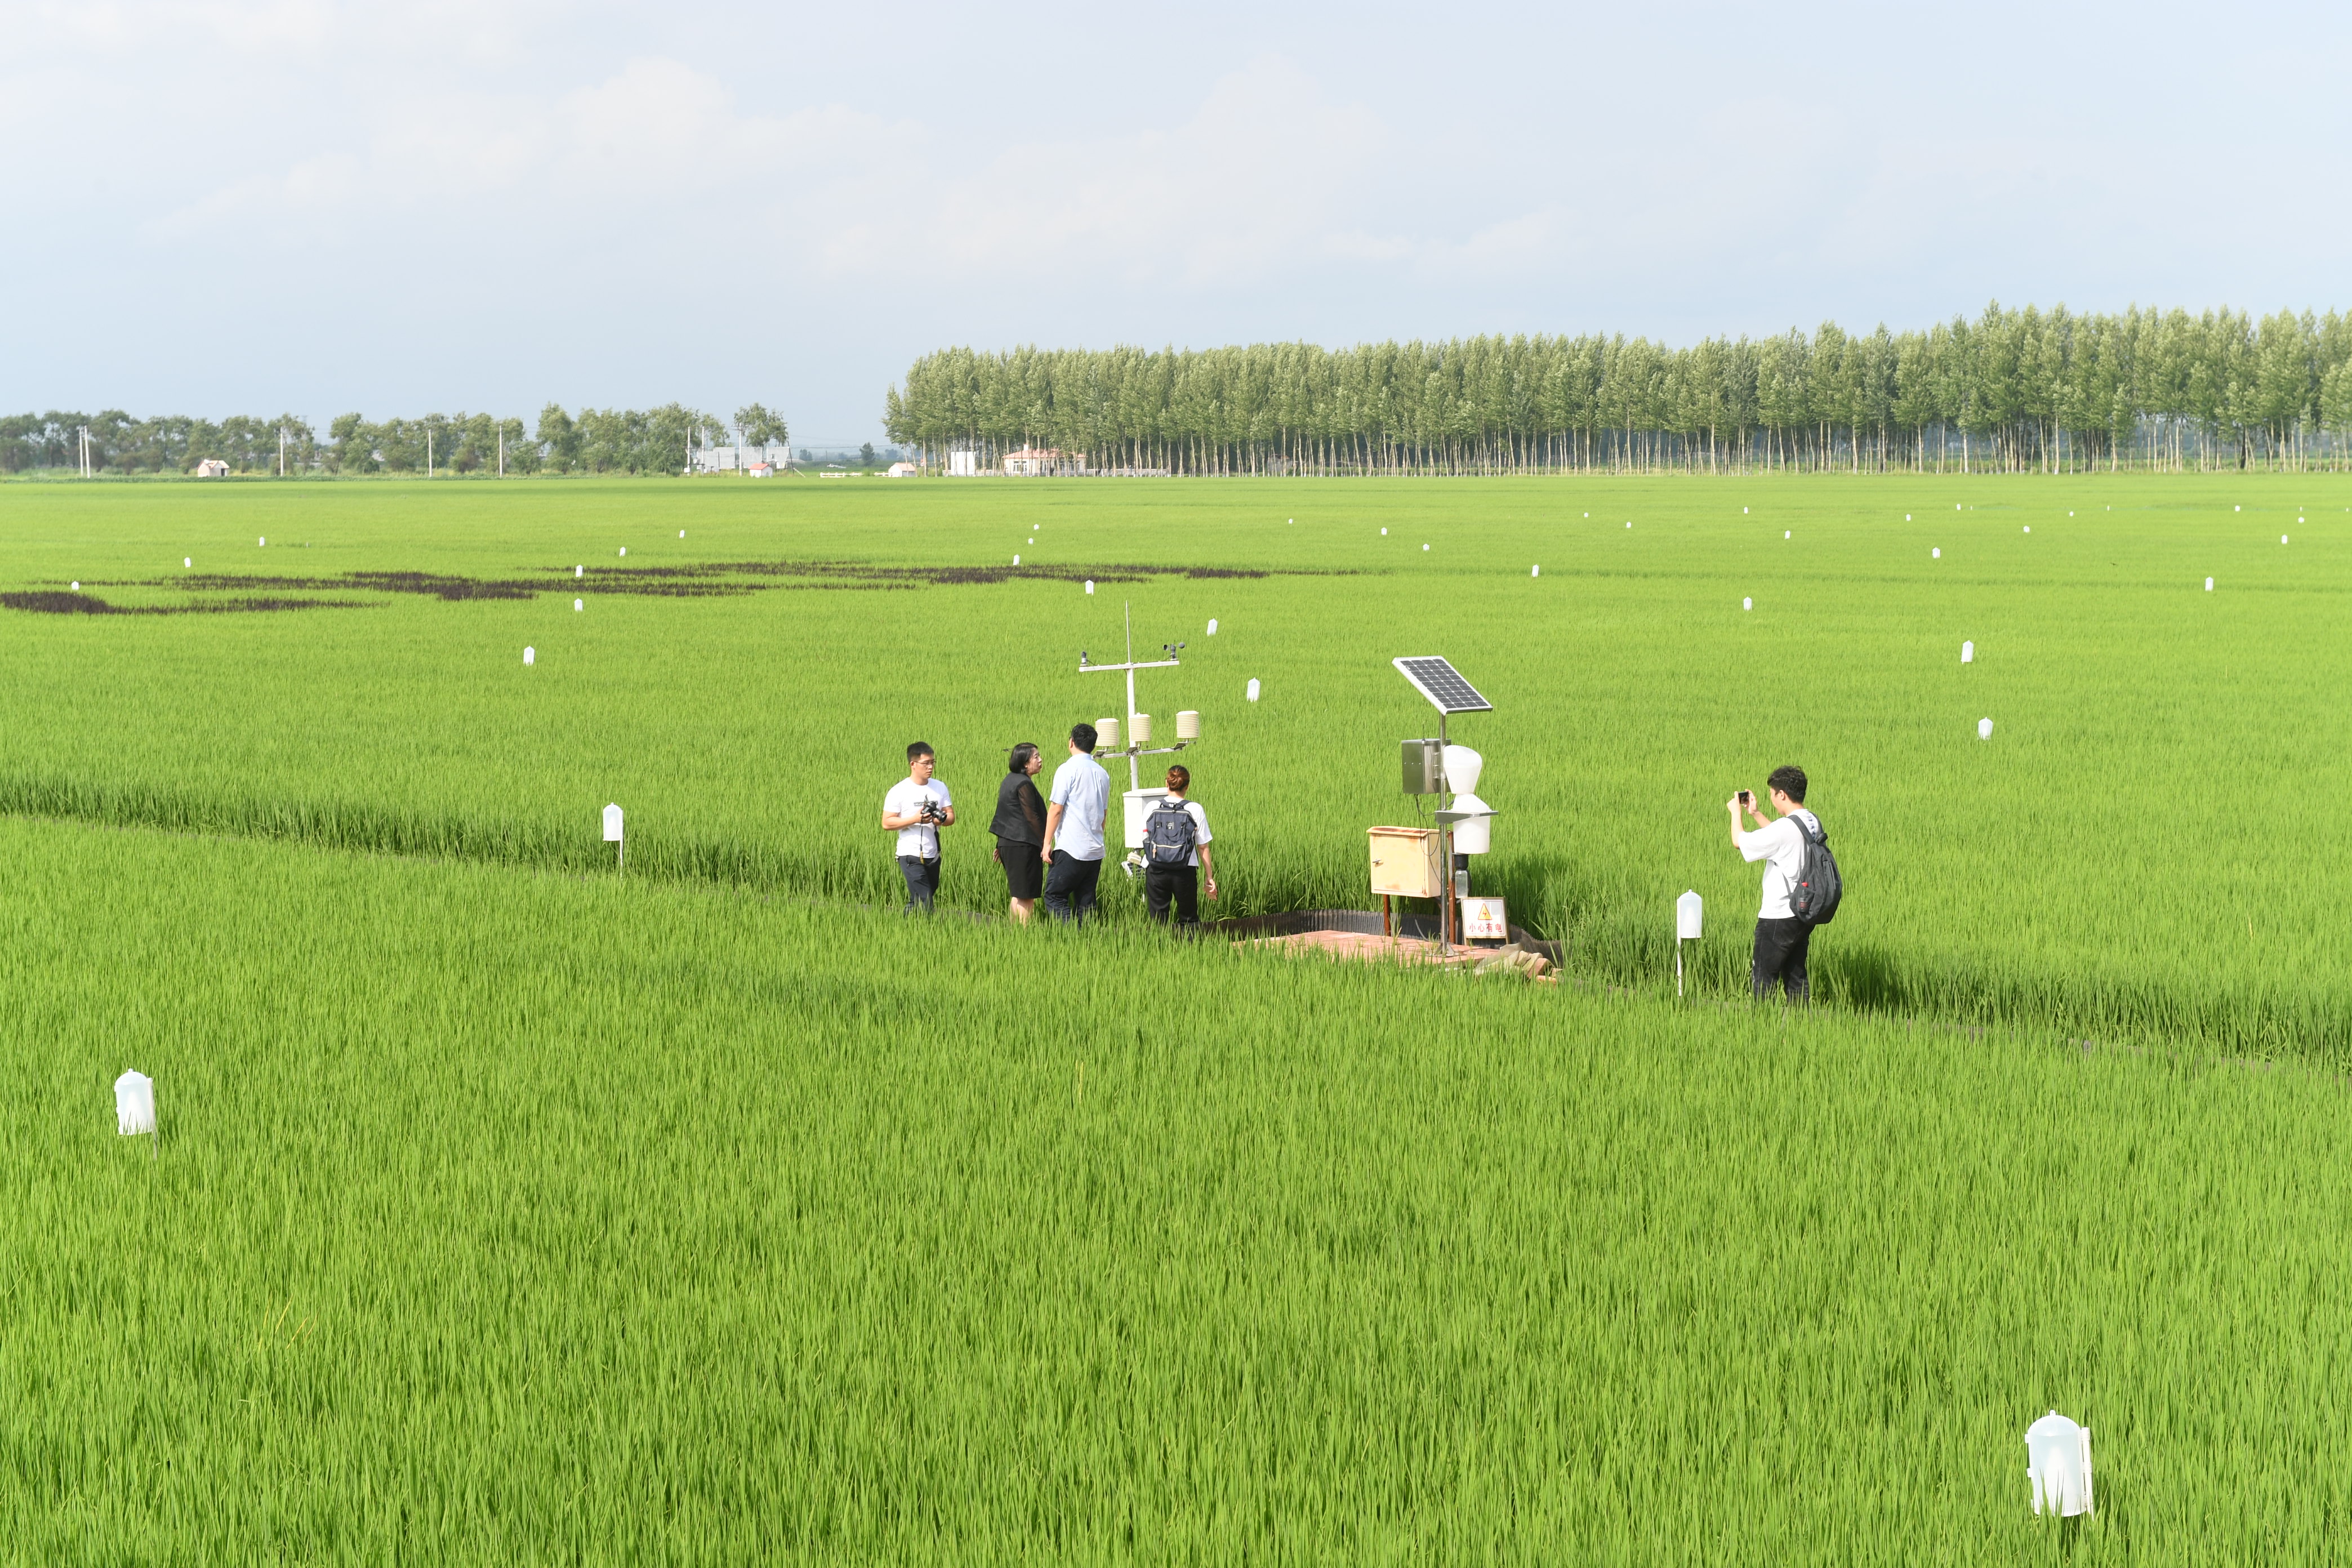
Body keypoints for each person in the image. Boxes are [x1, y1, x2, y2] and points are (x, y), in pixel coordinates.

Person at [1727, 764, 1821, 1002]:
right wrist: (1756, 814)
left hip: (1777, 916)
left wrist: (1735, 813)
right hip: (1801, 914)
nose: (1772, 797)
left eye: (1772, 793)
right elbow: (1781, 841)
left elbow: (1740, 842)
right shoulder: (1811, 821)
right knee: (1796, 978)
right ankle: (1802, 1029)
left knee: (1763, 980)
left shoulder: (1784, 828)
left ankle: (1761, 1028)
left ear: (1782, 795)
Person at [1040, 723, 1110, 924]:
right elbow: (1103, 813)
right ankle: (1086, 942)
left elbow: (1056, 809)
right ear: (1093, 746)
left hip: (1071, 848)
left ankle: (1071, 938)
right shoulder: (1102, 774)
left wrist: (1046, 844)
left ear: (1071, 742)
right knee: (1086, 901)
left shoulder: (1067, 770)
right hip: (1095, 850)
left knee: (1054, 895)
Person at [880, 741, 953, 914]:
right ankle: (930, 933)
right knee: (925, 899)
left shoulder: (939, 787)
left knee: (922, 896)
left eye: (933, 762)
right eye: (926, 763)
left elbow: (950, 816)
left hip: (933, 853)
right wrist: (915, 819)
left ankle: (906, 925)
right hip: (909, 854)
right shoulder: (899, 791)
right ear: (913, 764)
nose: (931, 767)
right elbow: (887, 823)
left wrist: (939, 821)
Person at [1142, 764, 1217, 929]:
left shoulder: (1151, 807)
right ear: (1187, 786)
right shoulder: (1195, 809)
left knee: (1158, 921)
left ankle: (1158, 951)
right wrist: (1209, 877)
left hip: (1156, 870)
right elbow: (1203, 847)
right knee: (1189, 918)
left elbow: (1145, 838)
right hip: (1185, 870)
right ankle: (1190, 951)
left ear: (1167, 784)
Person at [988, 742, 1049, 924]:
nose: (1040, 760)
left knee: (1018, 893)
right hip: (1024, 845)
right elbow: (1031, 817)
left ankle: (1015, 932)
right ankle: (1024, 933)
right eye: (1036, 757)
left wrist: (1000, 845)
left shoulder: (1009, 780)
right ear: (1025, 763)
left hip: (1010, 844)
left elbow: (1005, 815)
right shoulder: (1024, 784)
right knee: (1026, 895)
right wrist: (1045, 843)